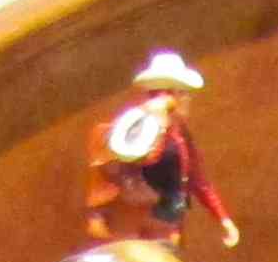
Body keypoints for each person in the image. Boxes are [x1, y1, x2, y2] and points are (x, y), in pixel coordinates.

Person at [86, 51, 239, 249]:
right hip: (135, 225)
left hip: (167, 225)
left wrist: (222, 218)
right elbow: (139, 159)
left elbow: (197, 179)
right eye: (183, 93)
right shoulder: (137, 131)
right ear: (169, 96)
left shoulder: (181, 135)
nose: (187, 100)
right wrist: (157, 120)